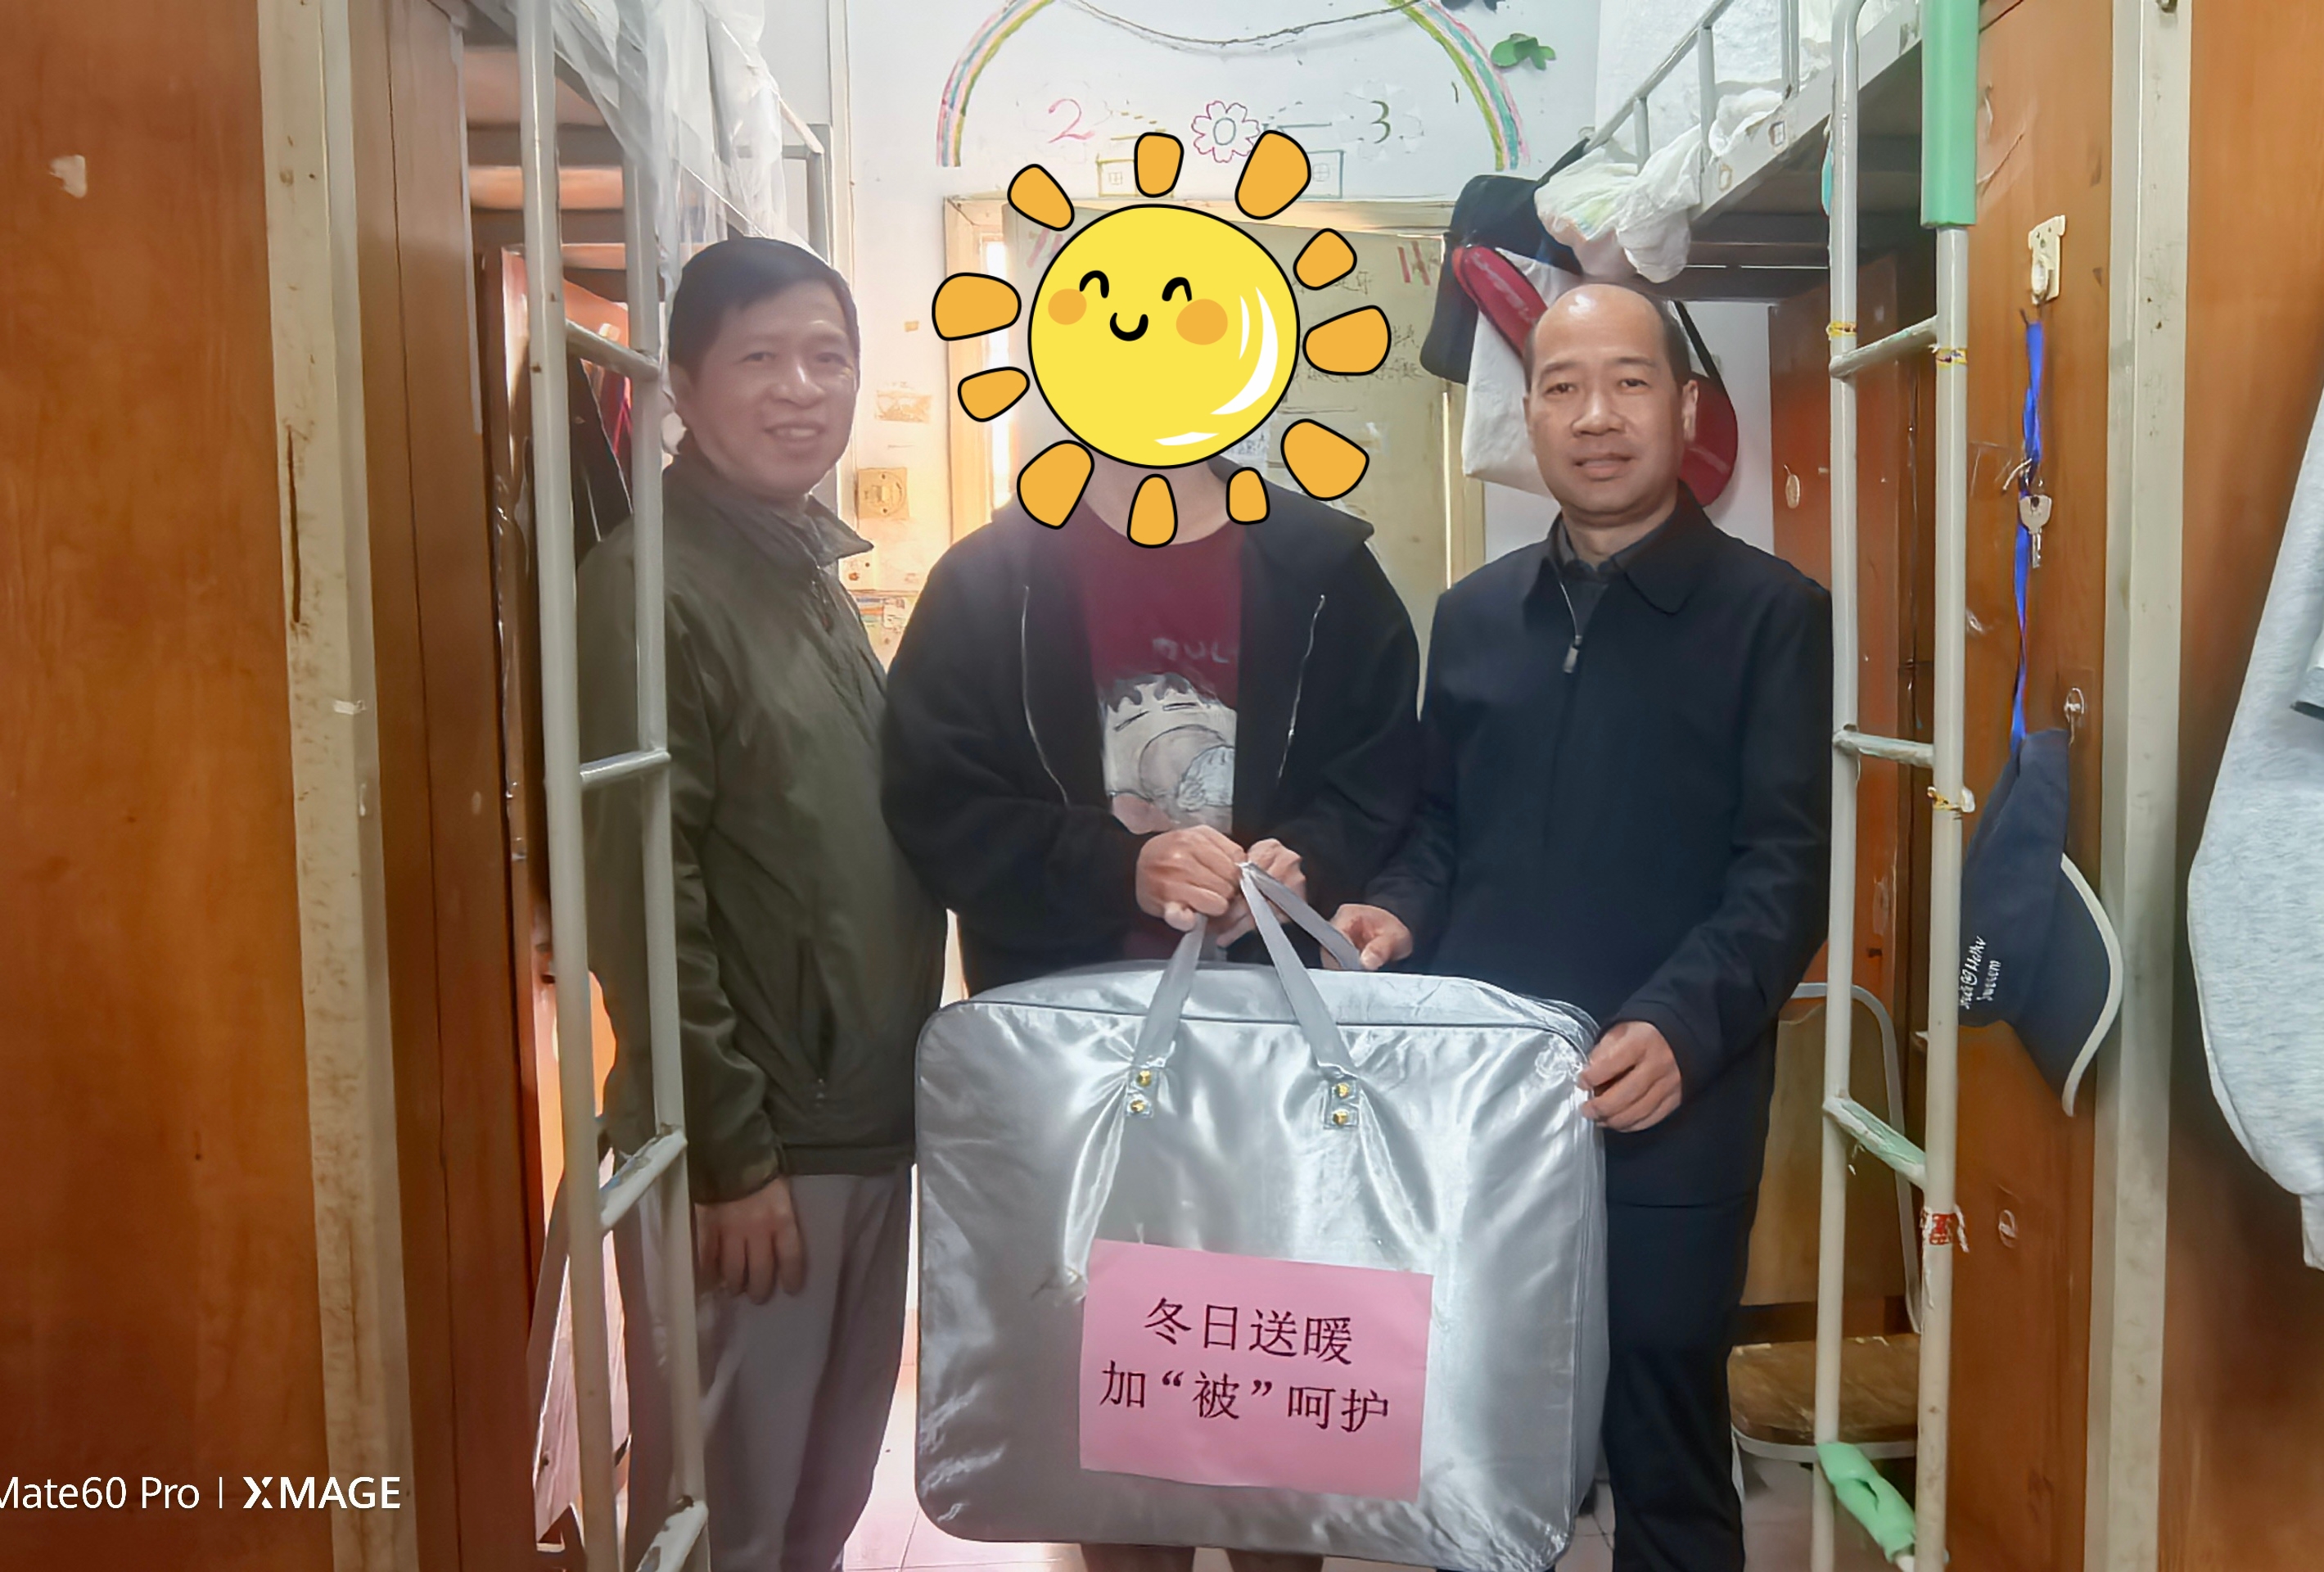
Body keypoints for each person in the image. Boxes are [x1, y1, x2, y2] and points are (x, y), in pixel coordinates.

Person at [1332, 284, 1832, 1572]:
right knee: (1472, 1422)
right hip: (1485, 1103)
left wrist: (1681, 1026)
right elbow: (1441, 829)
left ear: (1688, 408)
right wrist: (1396, 909)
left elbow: (1784, 871)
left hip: (1672, 1097)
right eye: (1561, 387)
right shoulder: (1474, 615)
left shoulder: (1772, 615)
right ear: (1531, 413)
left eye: (1628, 382)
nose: (1595, 416)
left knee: (1664, 1428)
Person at [881, 443, 1422, 1572]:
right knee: (1113, 1404)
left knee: (1271, 1389)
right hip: (1072, 1067)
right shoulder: (991, 580)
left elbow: (1384, 777)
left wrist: (1306, 856)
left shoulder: (1326, 571)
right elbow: (938, 805)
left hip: (1277, 1066)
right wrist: (1117, 867)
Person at [579, 237, 944, 1572]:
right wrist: (726, 1154)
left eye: (828, 357)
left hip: (858, 1123)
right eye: (761, 358)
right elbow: (641, 895)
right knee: (725, 1516)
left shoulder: (798, 572)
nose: (802, 389)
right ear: (681, 385)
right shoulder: (650, 589)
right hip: (761, 1151)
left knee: (818, 1502)